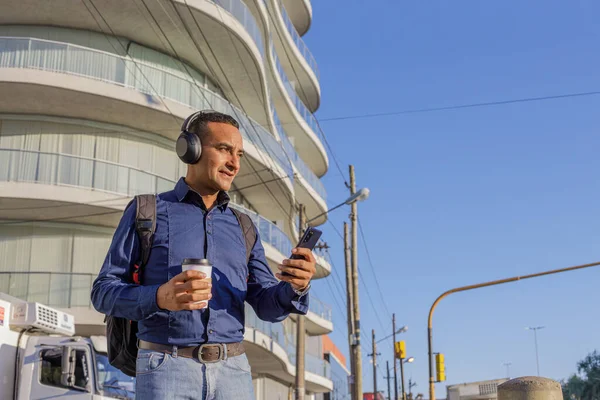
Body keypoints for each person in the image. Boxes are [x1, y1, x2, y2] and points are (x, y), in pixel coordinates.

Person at [91, 110, 316, 399]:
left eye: (239, 154)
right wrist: (160, 296)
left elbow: (267, 305)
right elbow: (103, 292)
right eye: (224, 149)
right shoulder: (146, 212)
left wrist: (295, 287)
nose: (234, 163)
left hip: (234, 372)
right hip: (165, 368)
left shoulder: (244, 227)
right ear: (190, 148)